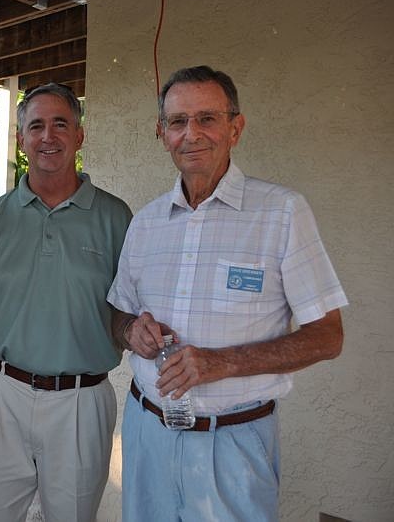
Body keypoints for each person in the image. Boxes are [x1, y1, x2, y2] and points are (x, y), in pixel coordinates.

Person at [107, 65, 348, 521]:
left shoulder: (281, 211)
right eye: (178, 122)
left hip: (233, 441)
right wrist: (130, 331)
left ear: (235, 128)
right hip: (147, 434)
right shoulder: (146, 222)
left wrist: (223, 363)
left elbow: (327, 336)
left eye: (207, 118)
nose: (191, 134)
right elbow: (117, 313)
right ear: (162, 134)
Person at [0, 83, 132, 522]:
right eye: (36, 125)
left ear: (80, 135)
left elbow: (126, 309)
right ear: (21, 139)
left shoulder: (117, 218)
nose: (48, 136)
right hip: (0, 390)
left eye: (61, 123)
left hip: (81, 399)